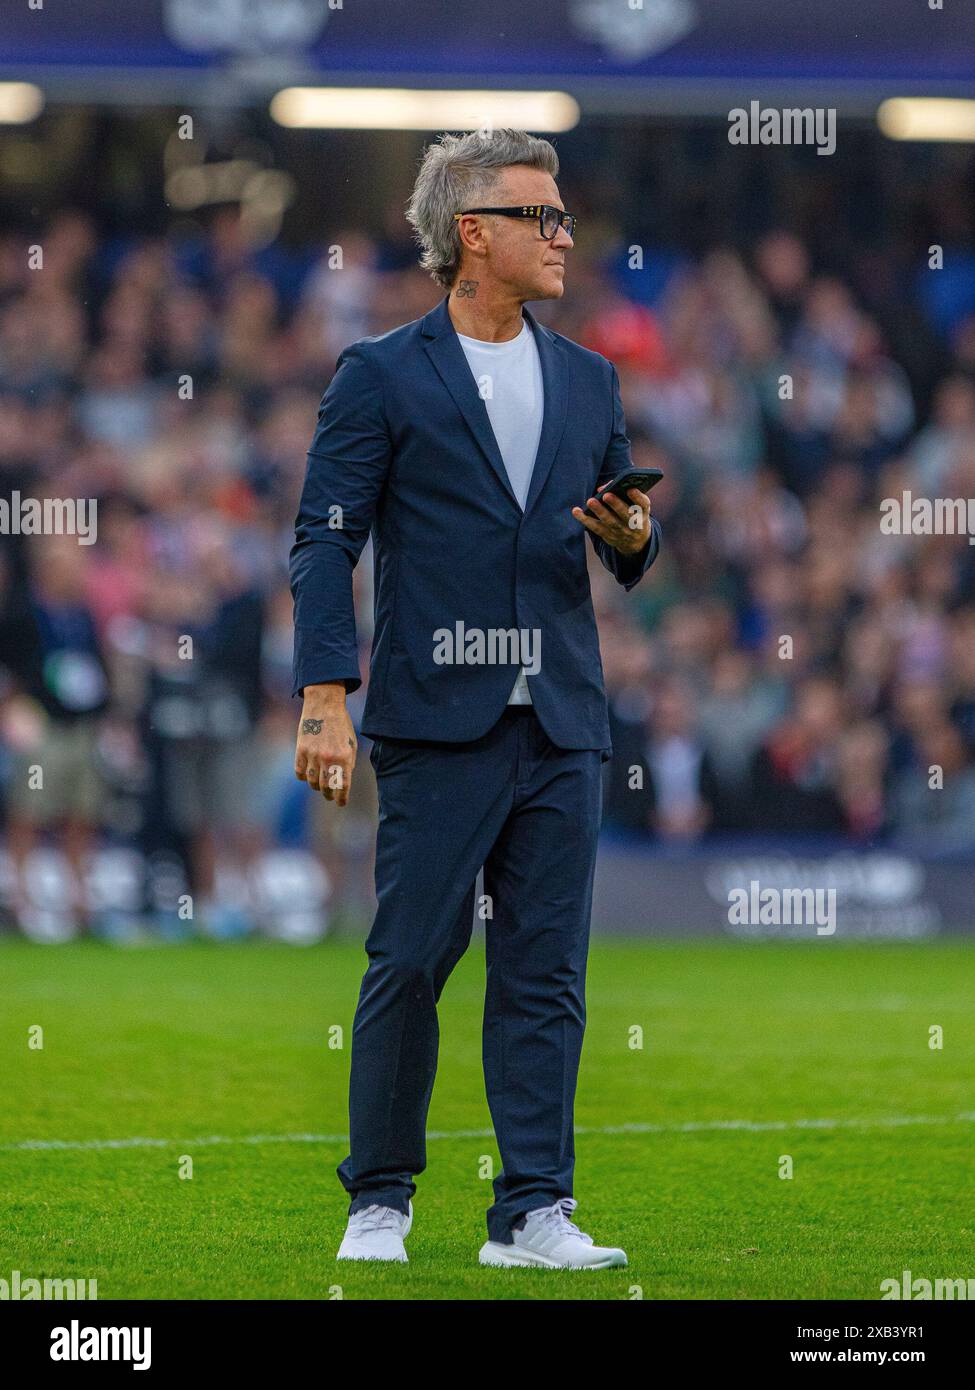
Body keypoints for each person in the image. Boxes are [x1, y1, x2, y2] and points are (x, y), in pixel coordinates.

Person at [290, 129, 661, 1270]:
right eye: (539, 215)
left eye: (561, 215)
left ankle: (533, 1211)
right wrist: (322, 695)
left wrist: (637, 536)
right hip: (434, 717)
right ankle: (381, 1201)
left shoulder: (591, 378)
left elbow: (625, 542)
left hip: (561, 719)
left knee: (546, 971)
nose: (563, 234)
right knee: (409, 958)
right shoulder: (380, 372)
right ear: (472, 234)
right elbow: (324, 536)